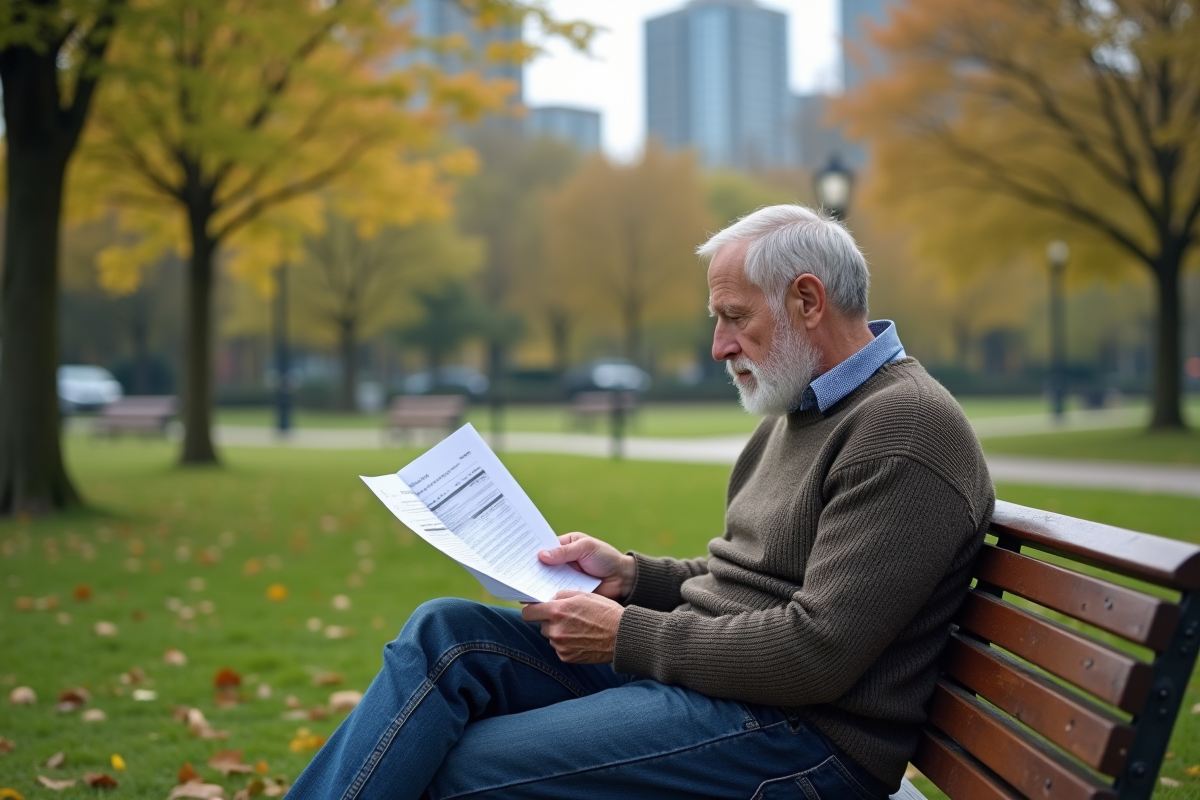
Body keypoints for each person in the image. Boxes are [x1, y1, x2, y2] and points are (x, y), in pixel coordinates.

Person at [290, 205, 994, 800]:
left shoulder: (903, 430)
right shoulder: (803, 412)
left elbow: (816, 652)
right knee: (446, 636)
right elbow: (744, 583)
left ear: (808, 302)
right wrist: (631, 576)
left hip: (803, 740)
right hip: (728, 690)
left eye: (733, 317)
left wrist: (625, 634)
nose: (719, 345)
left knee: (464, 765)